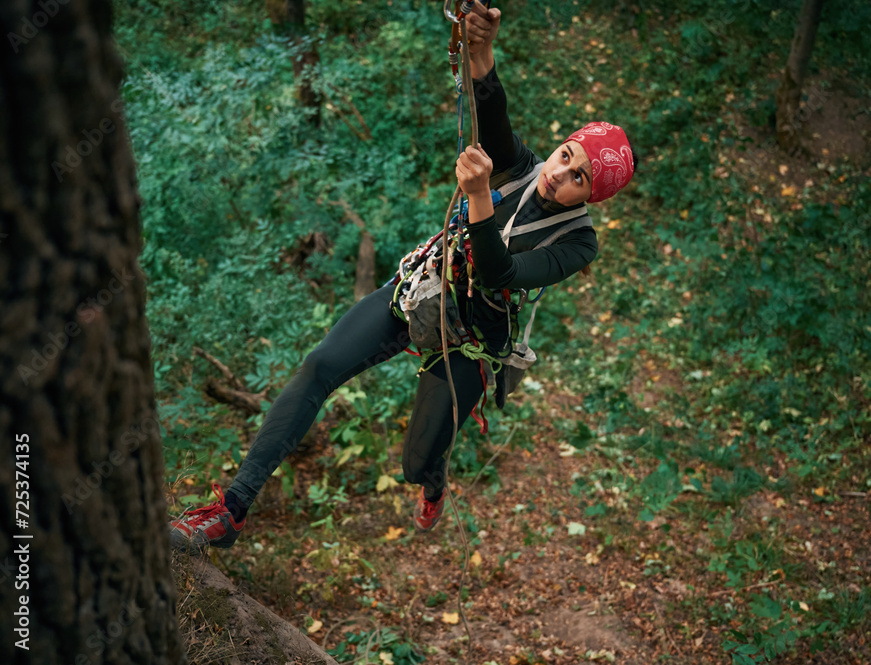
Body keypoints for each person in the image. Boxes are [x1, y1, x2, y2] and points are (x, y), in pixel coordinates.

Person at [168, 0, 636, 553]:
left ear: (591, 196)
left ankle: (432, 482)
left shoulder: (579, 244)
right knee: (319, 366)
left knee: (416, 460)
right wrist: (480, 47)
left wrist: (481, 197)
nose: (559, 174)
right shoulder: (522, 166)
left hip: (472, 341)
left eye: (579, 177)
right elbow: (493, 113)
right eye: (565, 154)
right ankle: (231, 510)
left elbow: (500, 273)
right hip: (425, 289)